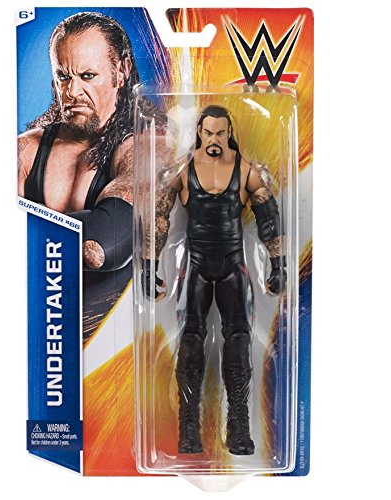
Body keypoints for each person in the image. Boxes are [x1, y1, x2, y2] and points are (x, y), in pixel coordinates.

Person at [143, 105, 286, 455]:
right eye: (208, 133)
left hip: (233, 267)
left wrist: (278, 265)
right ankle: (188, 430)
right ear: (199, 132)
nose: (214, 140)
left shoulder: (248, 171)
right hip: (195, 266)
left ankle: (238, 427)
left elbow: (269, 219)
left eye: (221, 133)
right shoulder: (182, 171)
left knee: (238, 341)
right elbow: (159, 217)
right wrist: (149, 265)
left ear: (229, 133)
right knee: (191, 341)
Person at [18, 12, 164, 340]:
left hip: (114, 347)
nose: (72, 91)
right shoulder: (27, 150)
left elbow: (103, 243)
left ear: (121, 71)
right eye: (63, 76)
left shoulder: (148, 147)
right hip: (36, 337)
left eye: (87, 76)